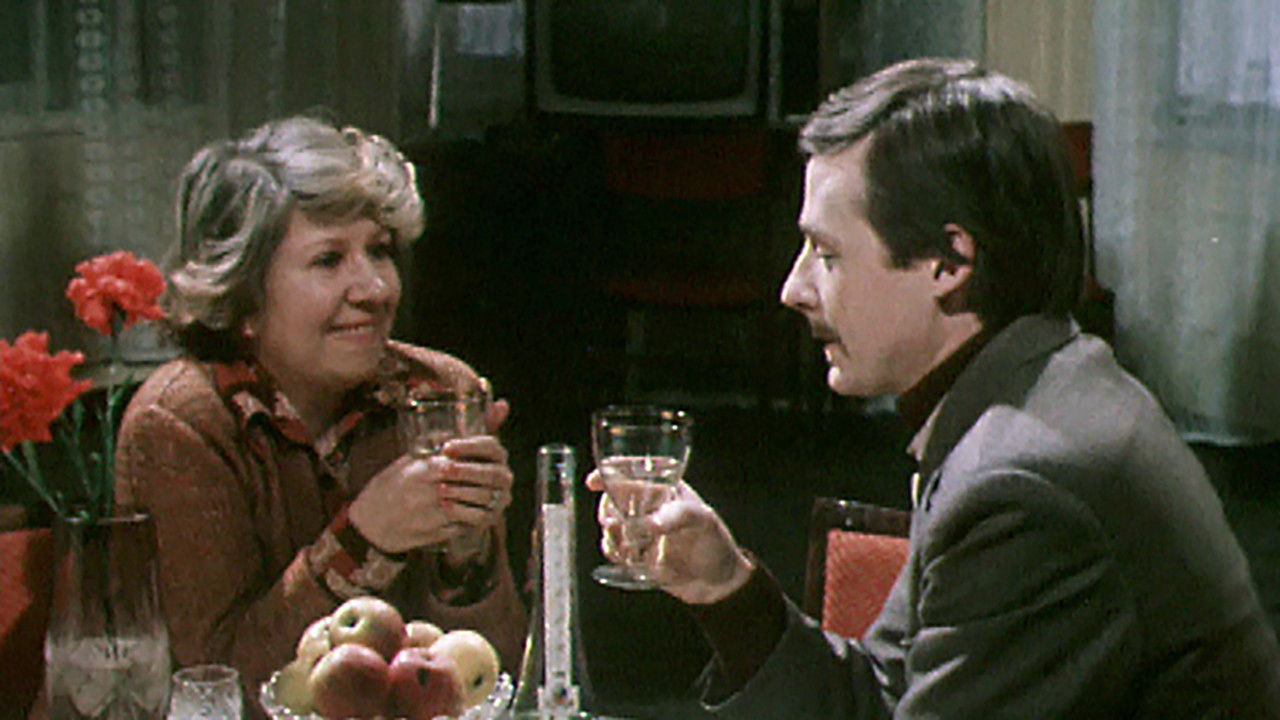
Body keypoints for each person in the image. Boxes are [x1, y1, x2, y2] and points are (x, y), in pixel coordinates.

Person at [590, 58, 1280, 717]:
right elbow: (884, 697)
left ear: (950, 262)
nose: (793, 289)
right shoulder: (1022, 398)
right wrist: (723, 586)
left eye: (827, 254)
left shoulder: (1022, 481)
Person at [113, 116, 527, 699]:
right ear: (244, 297)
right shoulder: (179, 424)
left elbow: (495, 681)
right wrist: (365, 537)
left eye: (379, 251)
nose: (375, 289)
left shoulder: (438, 393)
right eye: (329, 260)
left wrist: (467, 551)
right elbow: (214, 688)